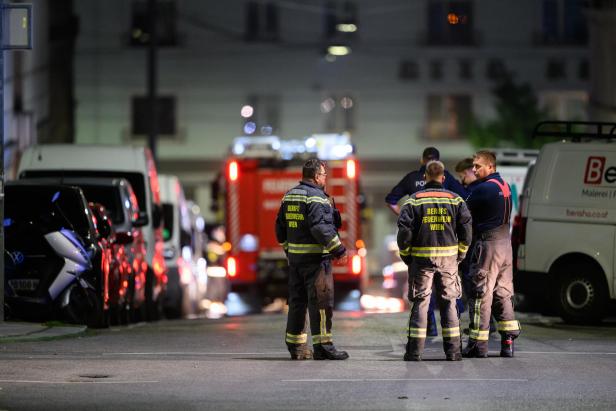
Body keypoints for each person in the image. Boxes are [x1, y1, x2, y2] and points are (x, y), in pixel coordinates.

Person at [386, 147, 468, 336]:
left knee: (423, 292)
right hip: (447, 247)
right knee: (449, 293)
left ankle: (429, 328)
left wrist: (403, 218)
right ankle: (453, 338)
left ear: (422, 161)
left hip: (421, 246)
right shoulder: (448, 181)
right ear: (441, 170)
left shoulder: (412, 182)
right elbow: (465, 201)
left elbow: (391, 200)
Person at [397, 160, 472, 361]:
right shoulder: (456, 200)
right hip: (449, 260)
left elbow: (404, 232)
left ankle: (414, 352)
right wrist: (461, 254)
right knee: (449, 302)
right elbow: (466, 231)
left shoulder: (413, 201)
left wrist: (406, 255)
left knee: (421, 302)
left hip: (421, 260)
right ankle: (454, 352)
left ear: (424, 178)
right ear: (443, 178)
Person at [275, 158, 349, 361]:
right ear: (317, 176)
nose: (325, 178)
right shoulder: (316, 197)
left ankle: (296, 347)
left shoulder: (289, 196)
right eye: (324, 174)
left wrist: (290, 251)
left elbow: (280, 229)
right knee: (321, 303)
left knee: (297, 302)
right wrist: (339, 250)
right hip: (316, 261)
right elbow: (320, 228)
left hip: (296, 261)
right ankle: (323, 347)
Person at [462, 151, 521, 358]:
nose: (474, 170)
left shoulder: (482, 188)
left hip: (488, 245)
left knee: (481, 294)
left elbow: (463, 214)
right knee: (503, 293)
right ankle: (508, 342)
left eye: (478, 166)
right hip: (505, 244)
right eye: (473, 166)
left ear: (490, 167)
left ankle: (478, 345)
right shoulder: (503, 185)